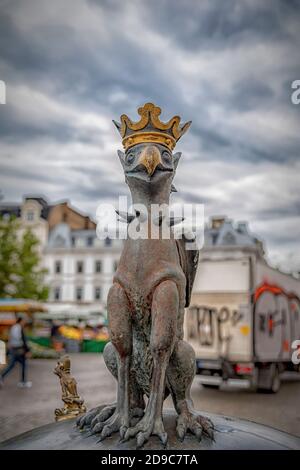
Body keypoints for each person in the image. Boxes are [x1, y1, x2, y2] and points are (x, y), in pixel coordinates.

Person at [0, 317, 32, 388]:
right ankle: (23, 382)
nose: (25, 322)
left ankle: (22, 381)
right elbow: (22, 339)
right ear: (21, 321)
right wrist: (27, 350)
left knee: (13, 365)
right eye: (24, 321)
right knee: (20, 365)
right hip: (18, 350)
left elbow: (11, 338)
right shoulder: (19, 328)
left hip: (14, 349)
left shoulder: (14, 327)